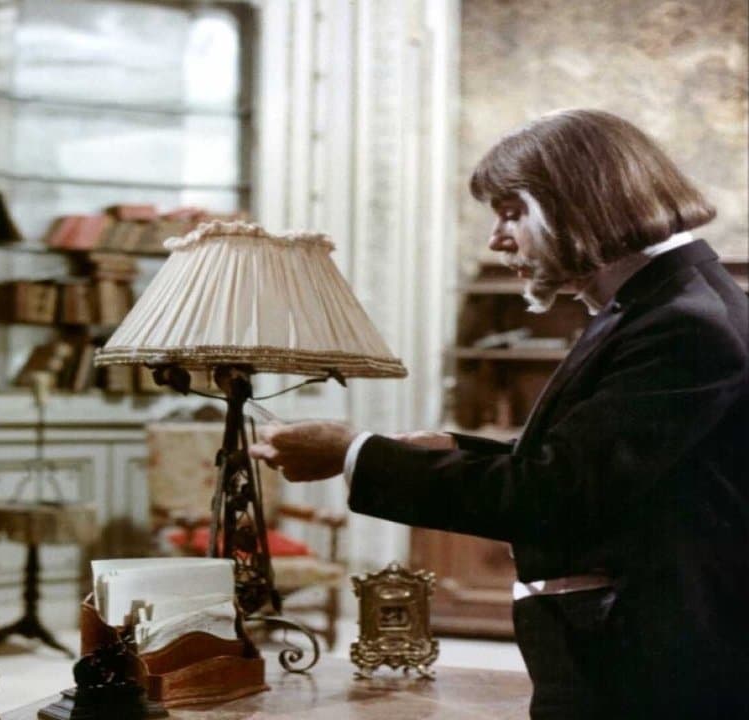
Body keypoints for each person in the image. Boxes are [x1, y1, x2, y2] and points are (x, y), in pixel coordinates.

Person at [249, 109, 748, 719]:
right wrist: (450, 448)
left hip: (656, 670)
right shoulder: (667, 305)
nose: (496, 239)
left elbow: (555, 494)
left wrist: (355, 453)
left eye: (512, 212)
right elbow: (601, 470)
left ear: (580, 203)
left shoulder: (683, 324)